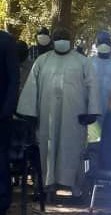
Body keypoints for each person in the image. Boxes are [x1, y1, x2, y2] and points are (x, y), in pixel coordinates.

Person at [17, 27, 100, 198]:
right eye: (58, 37)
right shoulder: (42, 61)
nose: (61, 39)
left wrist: (92, 112)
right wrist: (30, 114)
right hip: (46, 116)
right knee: (47, 150)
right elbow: (32, 87)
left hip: (75, 117)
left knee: (74, 150)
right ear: (53, 40)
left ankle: (76, 188)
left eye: (64, 36)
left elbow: (93, 86)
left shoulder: (83, 62)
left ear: (70, 40)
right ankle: (46, 186)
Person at [0, 31, 19, 215]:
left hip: (1, 115)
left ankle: (2, 202)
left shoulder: (6, 41)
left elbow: (14, 79)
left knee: (0, 158)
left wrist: (6, 111)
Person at [89, 31, 111, 117]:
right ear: (96, 44)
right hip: (92, 111)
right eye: (101, 41)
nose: (103, 45)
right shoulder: (88, 63)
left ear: (110, 45)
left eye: (106, 42)